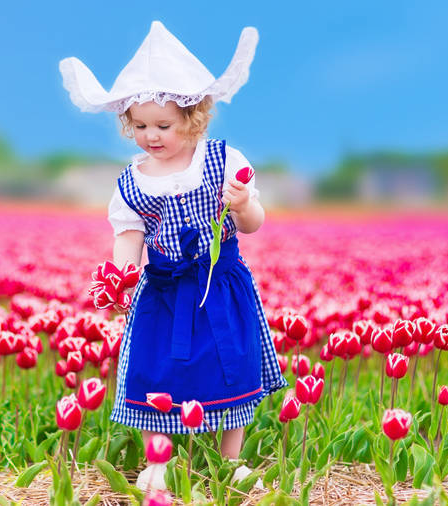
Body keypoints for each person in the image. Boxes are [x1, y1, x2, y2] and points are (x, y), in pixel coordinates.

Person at [59, 21, 288, 491]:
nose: (151, 136)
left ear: (193, 117)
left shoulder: (223, 160)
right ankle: (157, 461)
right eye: (140, 126)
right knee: (154, 368)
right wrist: (120, 278)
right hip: (162, 291)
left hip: (219, 284)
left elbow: (253, 223)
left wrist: (243, 204)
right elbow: (129, 238)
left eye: (163, 125)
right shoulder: (132, 180)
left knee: (230, 364)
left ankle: (229, 460)